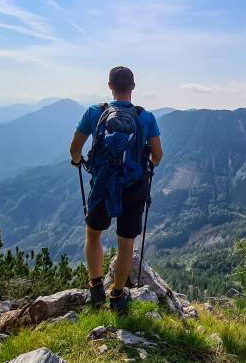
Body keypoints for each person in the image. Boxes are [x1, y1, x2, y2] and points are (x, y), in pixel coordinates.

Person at [69, 66, 163, 315]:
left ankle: (96, 286)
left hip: (103, 184)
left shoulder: (94, 112)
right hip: (133, 188)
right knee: (125, 245)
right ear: (133, 87)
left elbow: (74, 150)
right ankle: (118, 296)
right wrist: (145, 165)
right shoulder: (145, 117)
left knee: (93, 235)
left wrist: (78, 161)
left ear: (110, 86)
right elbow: (158, 155)